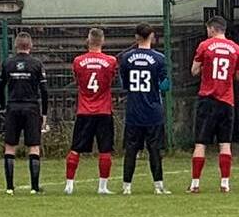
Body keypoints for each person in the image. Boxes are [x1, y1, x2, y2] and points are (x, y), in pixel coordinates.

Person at [189, 16, 239, 193]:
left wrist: (206, 68)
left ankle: (195, 183)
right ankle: (225, 183)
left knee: (200, 143)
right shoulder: (236, 48)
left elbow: (194, 70)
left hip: (207, 98)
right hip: (226, 100)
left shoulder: (205, 46)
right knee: (225, 143)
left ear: (212, 29)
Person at [64, 28, 117, 196]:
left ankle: (69, 184)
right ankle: (102, 186)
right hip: (103, 110)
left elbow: (77, 80)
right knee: (105, 149)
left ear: (88, 40)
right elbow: (110, 81)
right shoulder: (110, 61)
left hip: (84, 110)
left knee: (75, 148)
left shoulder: (78, 61)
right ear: (102, 41)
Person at [119, 24, 171, 195]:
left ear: (136, 37)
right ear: (152, 36)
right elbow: (165, 86)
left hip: (134, 110)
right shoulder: (159, 58)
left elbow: (124, 84)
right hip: (153, 111)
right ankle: (158, 185)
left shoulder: (126, 58)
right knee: (155, 149)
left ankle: (127, 186)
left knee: (131, 150)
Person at [0, 31, 49, 195]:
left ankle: (9, 187)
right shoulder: (36, 64)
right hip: (31, 107)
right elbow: (44, 90)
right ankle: (34, 187)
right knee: (34, 146)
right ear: (31, 46)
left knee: (10, 146)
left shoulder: (8, 63)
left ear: (15, 46)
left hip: (12, 107)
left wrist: (3, 106)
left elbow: (0, 87)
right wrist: (45, 113)